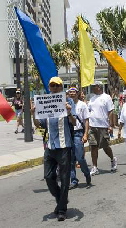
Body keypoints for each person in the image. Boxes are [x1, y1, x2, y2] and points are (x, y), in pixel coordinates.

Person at [32, 77, 76, 221]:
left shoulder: (68, 101)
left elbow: (74, 122)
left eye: (57, 85)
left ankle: (62, 209)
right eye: (52, 85)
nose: (55, 88)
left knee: (64, 178)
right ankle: (60, 200)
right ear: (49, 87)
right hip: (50, 146)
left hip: (64, 146)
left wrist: (69, 112)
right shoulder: (45, 103)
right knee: (48, 176)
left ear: (61, 87)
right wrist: (34, 113)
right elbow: (39, 125)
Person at [88, 81, 117, 176]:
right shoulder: (91, 99)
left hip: (103, 126)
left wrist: (110, 125)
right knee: (93, 146)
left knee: (105, 146)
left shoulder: (106, 97)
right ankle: (95, 167)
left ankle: (113, 159)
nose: (92, 88)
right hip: (92, 126)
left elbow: (111, 112)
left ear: (99, 87)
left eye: (94, 86)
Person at [68, 87, 91, 190]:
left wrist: (85, 134)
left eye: (74, 92)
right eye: (70, 92)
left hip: (78, 133)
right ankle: (73, 180)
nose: (72, 94)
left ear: (77, 94)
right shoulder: (65, 105)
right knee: (70, 159)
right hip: (69, 133)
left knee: (80, 158)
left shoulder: (82, 105)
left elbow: (86, 120)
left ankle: (87, 173)